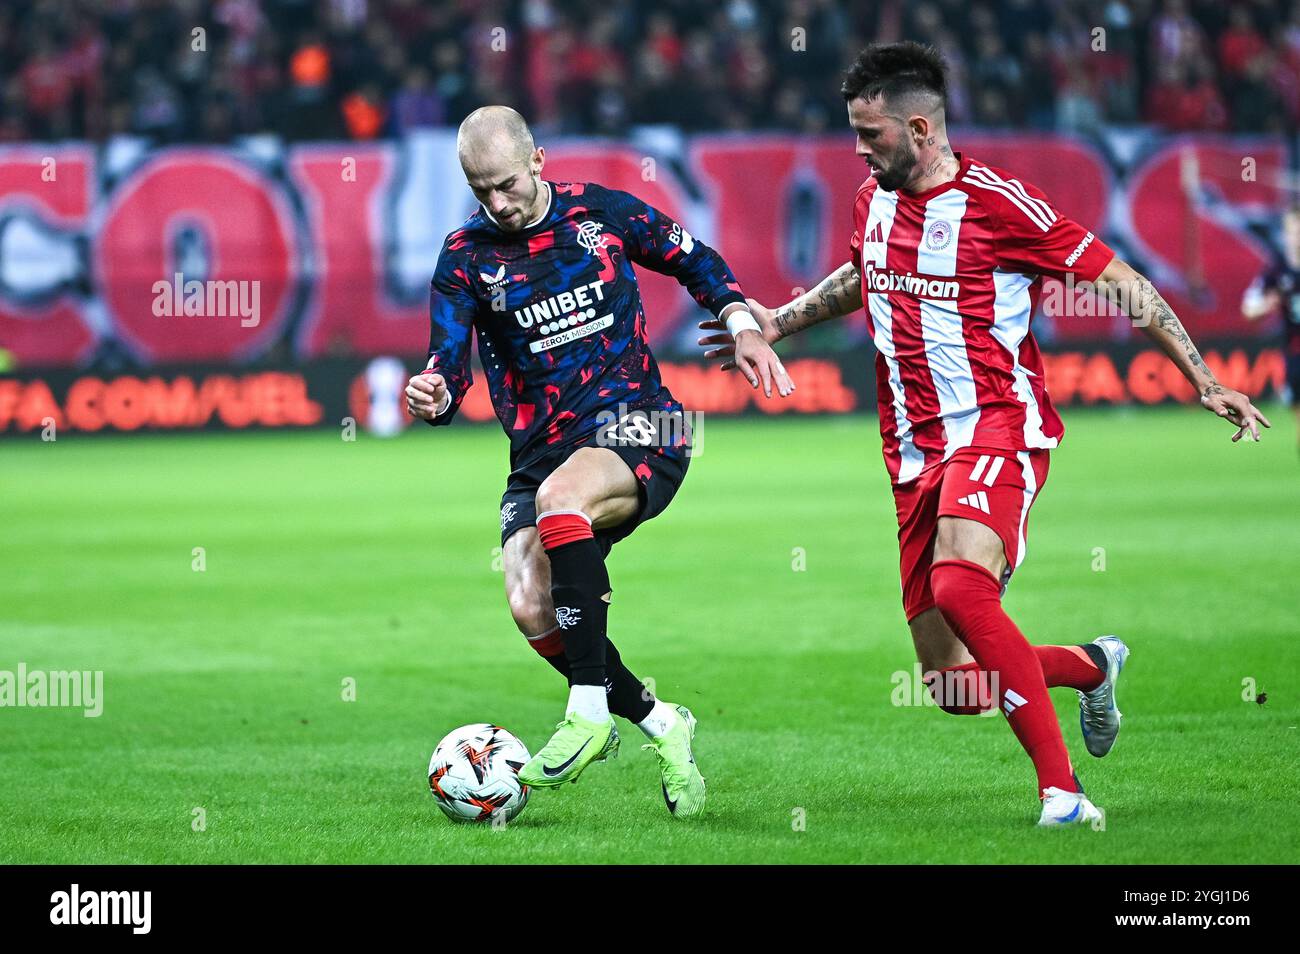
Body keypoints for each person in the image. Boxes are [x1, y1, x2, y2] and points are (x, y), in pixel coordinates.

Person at [701, 42, 1269, 826]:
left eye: (873, 135)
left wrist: (1204, 379)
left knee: (960, 583)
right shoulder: (875, 199)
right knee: (953, 684)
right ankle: (1092, 665)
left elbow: (1124, 282)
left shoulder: (1001, 206)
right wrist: (779, 319)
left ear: (924, 129)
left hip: (998, 425)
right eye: (855, 134)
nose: (859, 152)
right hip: (910, 450)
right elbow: (864, 275)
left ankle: (1064, 796)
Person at [408, 105, 792, 818]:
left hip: (643, 423)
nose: (497, 203)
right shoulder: (464, 256)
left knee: (563, 502)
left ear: (538, 162)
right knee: (529, 604)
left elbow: (692, 257)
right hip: (541, 452)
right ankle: (661, 722)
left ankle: (587, 711)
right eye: (480, 190)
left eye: (506, 185)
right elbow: (448, 362)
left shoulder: (599, 215)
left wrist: (741, 321)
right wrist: (433, 391)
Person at [1242, 205, 1300, 454]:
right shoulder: (1277, 271)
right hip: (1296, 355)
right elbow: (1249, 308)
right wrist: (1268, 303)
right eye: (1293, 230)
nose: (1297, 235)